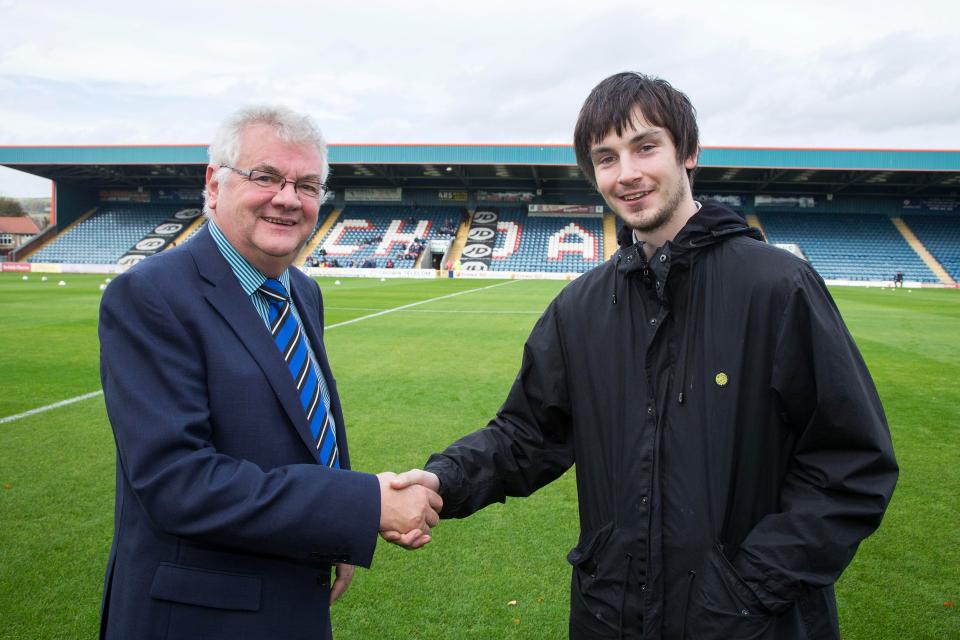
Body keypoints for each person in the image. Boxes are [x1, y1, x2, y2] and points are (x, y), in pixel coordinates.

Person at [390, 72, 898, 639]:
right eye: (605, 158)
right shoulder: (578, 307)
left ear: (689, 153)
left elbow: (851, 464)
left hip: (751, 626)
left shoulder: (778, 287)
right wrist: (442, 481)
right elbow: (527, 435)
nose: (626, 174)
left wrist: (749, 588)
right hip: (611, 618)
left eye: (645, 147)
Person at [98, 105, 439, 640]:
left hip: (293, 593)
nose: (287, 198)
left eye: (307, 184)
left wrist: (336, 535)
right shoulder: (151, 295)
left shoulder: (301, 290)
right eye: (265, 176)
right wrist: (361, 506)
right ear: (214, 184)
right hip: (197, 617)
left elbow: (305, 425)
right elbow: (178, 483)